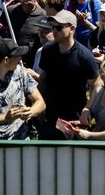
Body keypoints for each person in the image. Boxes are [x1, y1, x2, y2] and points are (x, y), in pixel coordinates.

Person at [36, 10, 99, 139]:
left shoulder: (85, 56)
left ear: (71, 29)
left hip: (73, 117)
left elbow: (97, 85)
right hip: (50, 114)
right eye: (53, 27)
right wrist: (39, 105)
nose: (54, 31)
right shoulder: (48, 50)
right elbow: (43, 79)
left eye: (59, 27)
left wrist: (88, 109)